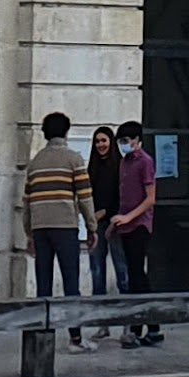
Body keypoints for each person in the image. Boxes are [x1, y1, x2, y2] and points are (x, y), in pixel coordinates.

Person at [20, 110, 89, 335]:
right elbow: (85, 197)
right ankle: (75, 337)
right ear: (66, 132)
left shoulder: (35, 163)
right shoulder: (74, 159)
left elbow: (27, 201)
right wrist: (92, 227)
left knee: (43, 284)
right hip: (65, 226)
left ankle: (43, 335)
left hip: (40, 228)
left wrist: (29, 233)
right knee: (71, 283)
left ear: (45, 134)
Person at [112, 120, 161, 344]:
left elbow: (150, 198)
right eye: (120, 141)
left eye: (126, 140)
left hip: (139, 224)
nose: (123, 144)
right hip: (124, 224)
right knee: (136, 275)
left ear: (137, 140)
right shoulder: (124, 162)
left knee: (137, 276)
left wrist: (129, 217)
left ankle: (139, 327)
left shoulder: (145, 162)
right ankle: (151, 325)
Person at [84, 125, 124, 324]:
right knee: (97, 271)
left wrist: (106, 212)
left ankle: (128, 322)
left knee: (121, 270)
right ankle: (101, 322)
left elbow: (122, 195)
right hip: (96, 223)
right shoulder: (92, 167)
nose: (101, 145)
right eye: (97, 141)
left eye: (104, 140)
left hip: (116, 222)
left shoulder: (120, 165)